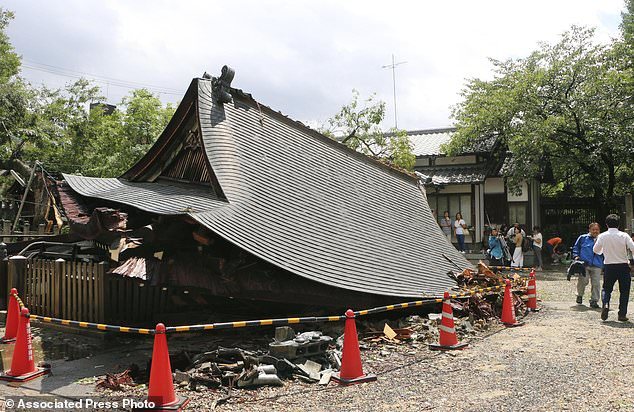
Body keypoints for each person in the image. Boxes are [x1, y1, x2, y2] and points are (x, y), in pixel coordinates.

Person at [593, 214, 634, 322]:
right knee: (624, 291)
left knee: (606, 289)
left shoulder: (602, 236)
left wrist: (603, 251)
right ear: (619, 224)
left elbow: (596, 250)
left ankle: (606, 304)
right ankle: (622, 314)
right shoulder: (624, 235)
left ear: (606, 224)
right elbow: (633, 248)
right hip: (623, 266)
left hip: (609, 266)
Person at [572, 223, 604, 308]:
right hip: (584, 264)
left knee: (596, 283)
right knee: (583, 281)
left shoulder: (602, 239)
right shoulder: (582, 238)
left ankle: (594, 300)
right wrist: (576, 256)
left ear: (599, 230)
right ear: (589, 230)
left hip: (597, 264)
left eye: (597, 229)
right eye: (593, 229)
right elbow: (576, 247)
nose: (595, 231)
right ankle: (579, 295)